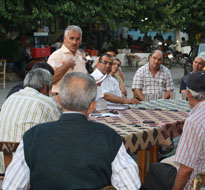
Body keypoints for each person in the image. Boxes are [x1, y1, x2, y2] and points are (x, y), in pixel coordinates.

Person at [2, 72, 141, 189]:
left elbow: (11, 186)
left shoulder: (32, 137)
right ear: (92, 106)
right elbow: (131, 185)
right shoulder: (109, 137)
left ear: (59, 101)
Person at [0, 68, 61, 143]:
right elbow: (60, 129)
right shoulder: (47, 103)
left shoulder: (10, 98)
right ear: (46, 87)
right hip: (28, 153)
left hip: (4, 153)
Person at [47, 25, 87, 94]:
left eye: (77, 39)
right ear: (65, 39)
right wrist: (65, 66)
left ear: (81, 40)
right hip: (61, 100)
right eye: (71, 38)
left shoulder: (80, 56)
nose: (74, 42)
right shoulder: (56, 56)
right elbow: (49, 81)